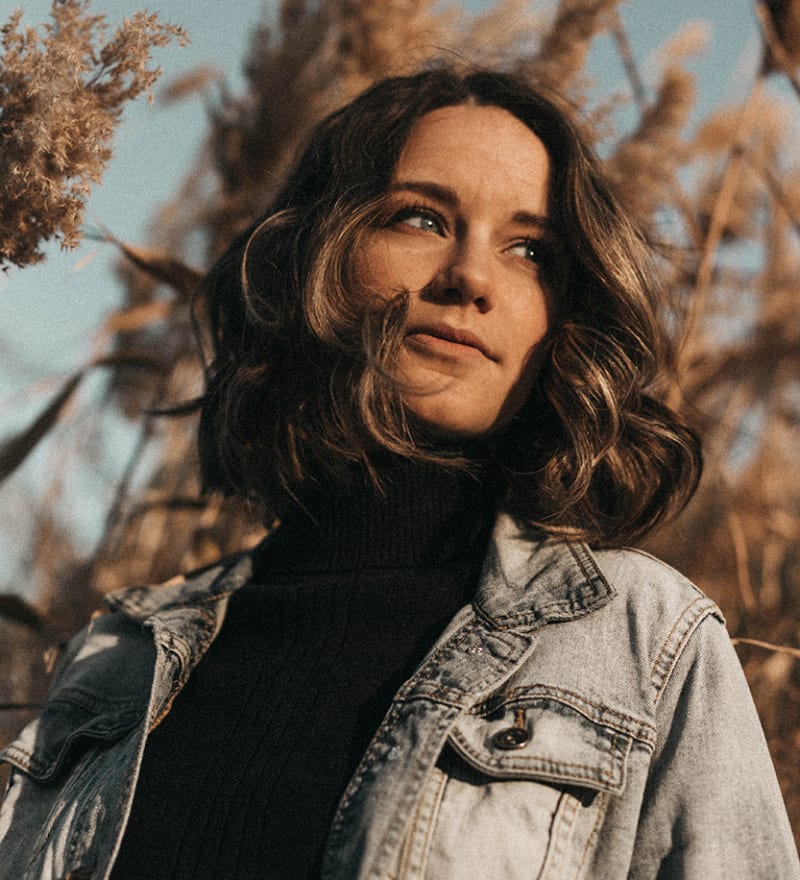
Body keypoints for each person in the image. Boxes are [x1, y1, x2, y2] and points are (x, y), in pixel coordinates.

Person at [0, 68, 797, 880]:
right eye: (421, 218)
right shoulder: (121, 655)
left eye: (529, 250)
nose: (471, 278)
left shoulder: (644, 642)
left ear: (563, 318)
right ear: (315, 252)